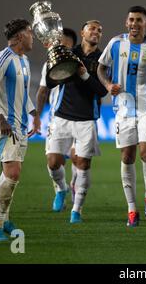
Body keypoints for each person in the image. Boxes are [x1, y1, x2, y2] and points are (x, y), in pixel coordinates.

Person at [97, 6, 146, 227]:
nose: (134, 24)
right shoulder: (115, 43)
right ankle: (131, 209)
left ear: (145, 23)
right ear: (126, 22)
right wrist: (108, 85)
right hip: (123, 109)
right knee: (127, 157)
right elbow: (101, 68)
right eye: (131, 20)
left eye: (139, 20)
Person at [0, 19, 40, 241]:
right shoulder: (3, 58)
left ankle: (2, 220)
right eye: (30, 32)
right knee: (13, 172)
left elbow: (22, 96)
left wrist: (34, 115)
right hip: (5, 124)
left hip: (20, 124)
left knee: (10, 174)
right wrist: (0, 118)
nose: (33, 36)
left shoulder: (23, 60)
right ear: (20, 36)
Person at [42, 21, 107, 223]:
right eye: (92, 28)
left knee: (82, 163)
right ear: (83, 32)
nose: (96, 31)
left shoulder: (103, 59)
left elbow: (102, 90)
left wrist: (84, 75)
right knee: (53, 163)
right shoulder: (69, 53)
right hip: (62, 116)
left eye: (99, 29)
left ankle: (76, 210)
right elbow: (51, 81)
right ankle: (61, 189)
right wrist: (58, 65)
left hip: (86, 119)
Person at [35, 28, 79, 209]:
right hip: (58, 119)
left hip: (80, 119)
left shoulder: (81, 63)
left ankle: (76, 189)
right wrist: (37, 116)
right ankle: (61, 189)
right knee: (54, 162)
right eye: (58, 41)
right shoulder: (50, 64)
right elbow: (43, 91)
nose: (59, 45)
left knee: (78, 158)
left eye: (63, 42)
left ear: (72, 44)